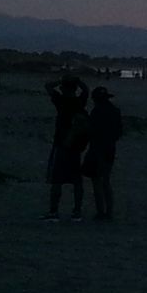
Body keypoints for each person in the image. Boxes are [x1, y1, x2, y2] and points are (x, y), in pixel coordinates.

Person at [43, 74, 89, 221]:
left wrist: (62, 80)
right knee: (76, 181)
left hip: (61, 144)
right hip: (76, 145)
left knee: (57, 180)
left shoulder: (61, 101)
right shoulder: (79, 102)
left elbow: (48, 86)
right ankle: (77, 212)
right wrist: (78, 80)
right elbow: (86, 90)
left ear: (63, 89)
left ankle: (53, 211)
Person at [81, 86, 124, 221]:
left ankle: (101, 211)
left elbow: (91, 131)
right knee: (106, 180)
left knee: (97, 181)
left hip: (98, 148)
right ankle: (109, 212)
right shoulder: (115, 111)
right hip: (110, 148)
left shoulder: (97, 111)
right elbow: (119, 132)